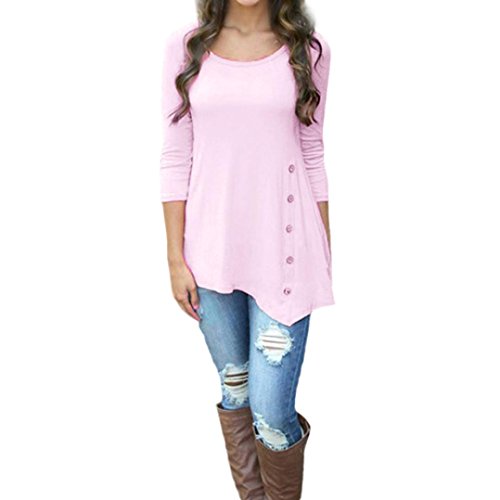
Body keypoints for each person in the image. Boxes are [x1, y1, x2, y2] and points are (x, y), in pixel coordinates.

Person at [159, 1, 334, 498]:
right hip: (209, 255)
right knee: (235, 389)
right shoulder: (187, 47)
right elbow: (175, 155)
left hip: (286, 254)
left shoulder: (308, 51)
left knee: (271, 411)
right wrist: (174, 258)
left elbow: (313, 150)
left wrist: (323, 249)